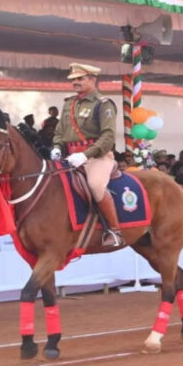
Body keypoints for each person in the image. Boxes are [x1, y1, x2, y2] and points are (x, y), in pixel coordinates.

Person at [51, 63, 122, 247]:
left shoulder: (104, 104)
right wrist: (57, 146)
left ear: (93, 79)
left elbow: (108, 137)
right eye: (73, 79)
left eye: (80, 78)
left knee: (96, 185)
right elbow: (60, 131)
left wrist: (85, 155)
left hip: (96, 157)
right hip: (70, 157)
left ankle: (114, 231)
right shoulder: (69, 103)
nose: (75, 82)